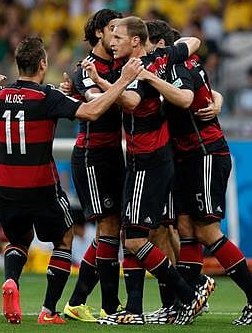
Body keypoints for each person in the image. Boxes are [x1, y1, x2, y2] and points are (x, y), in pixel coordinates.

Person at [0, 36, 143, 325]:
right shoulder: (46, 96)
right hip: (40, 185)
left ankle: (12, 281)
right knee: (64, 239)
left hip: (5, 187)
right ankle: (48, 311)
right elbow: (92, 111)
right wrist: (123, 81)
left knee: (18, 239)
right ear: (43, 63)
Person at [143, 20, 252, 326]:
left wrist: (150, 78)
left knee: (207, 231)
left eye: (148, 46)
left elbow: (187, 97)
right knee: (187, 227)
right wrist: (217, 100)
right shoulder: (177, 67)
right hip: (190, 156)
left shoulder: (176, 68)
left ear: (160, 45)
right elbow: (207, 93)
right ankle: (187, 301)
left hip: (205, 154)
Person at [85, 16, 211, 326]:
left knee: (138, 238)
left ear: (136, 42)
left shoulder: (141, 68)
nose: (112, 41)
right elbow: (191, 43)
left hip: (150, 160)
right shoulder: (141, 63)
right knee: (136, 233)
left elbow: (130, 101)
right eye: (111, 36)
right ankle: (136, 309)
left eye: (118, 36)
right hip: (143, 160)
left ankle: (187, 294)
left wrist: (103, 83)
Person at [62, 9, 127, 322]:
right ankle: (111, 308)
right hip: (91, 155)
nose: (118, 36)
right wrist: (123, 83)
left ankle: (77, 302)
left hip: (114, 152)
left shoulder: (117, 66)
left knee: (110, 231)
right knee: (108, 228)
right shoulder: (86, 68)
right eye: (113, 30)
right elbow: (94, 105)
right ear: (99, 33)